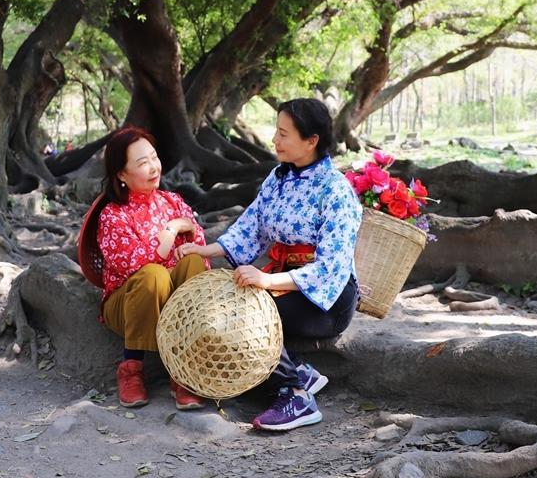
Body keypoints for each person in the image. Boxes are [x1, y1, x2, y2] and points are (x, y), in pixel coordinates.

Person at [176, 97, 361, 431]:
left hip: (326, 299)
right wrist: (205, 251)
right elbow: (250, 226)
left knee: (248, 317)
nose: (274, 141)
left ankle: (296, 395)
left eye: (283, 134)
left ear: (311, 141)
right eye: (276, 132)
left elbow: (331, 268)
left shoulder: (336, 191)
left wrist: (265, 281)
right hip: (284, 284)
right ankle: (301, 372)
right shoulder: (278, 178)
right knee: (228, 306)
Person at [97, 126, 210, 410]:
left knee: (194, 262)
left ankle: (182, 370)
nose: (153, 167)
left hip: (172, 300)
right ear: (121, 175)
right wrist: (169, 238)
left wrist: (180, 227)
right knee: (153, 274)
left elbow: (199, 242)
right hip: (129, 303)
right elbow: (128, 264)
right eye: (142, 163)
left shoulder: (173, 202)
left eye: (154, 158)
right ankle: (131, 368)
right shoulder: (113, 215)